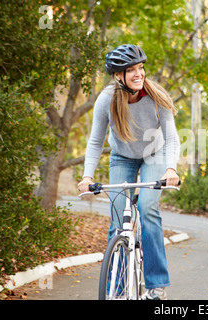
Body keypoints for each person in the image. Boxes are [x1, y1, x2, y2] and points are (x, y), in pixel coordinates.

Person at [78, 44, 180, 300]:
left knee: (147, 208)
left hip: (153, 156)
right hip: (122, 158)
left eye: (141, 68)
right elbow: (94, 141)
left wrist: (170, 169)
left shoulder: (157, 96)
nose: (138, 74)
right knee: (117, 224)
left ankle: (156, 286)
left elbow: (172, 138)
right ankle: (117, 289)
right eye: (131, 70)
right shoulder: (107, 100)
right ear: (117, 76)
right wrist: (87, 177)